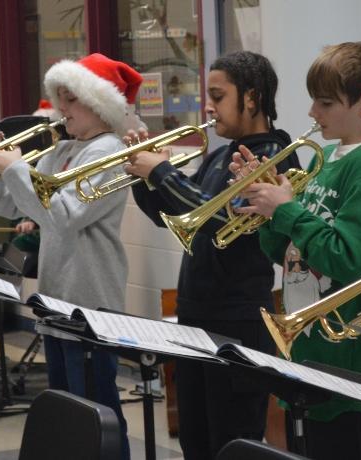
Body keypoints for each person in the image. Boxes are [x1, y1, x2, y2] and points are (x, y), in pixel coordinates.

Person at [124, 51, 299, 459]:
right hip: (195, 317)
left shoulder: (273, 154)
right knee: (196, 442)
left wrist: (161, 173)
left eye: (218, 96)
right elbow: (176, 217)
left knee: (232, 441)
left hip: (236, 322)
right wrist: (142, 175)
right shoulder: (223, 153)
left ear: (252, 98)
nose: (209, 106)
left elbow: (218, 216)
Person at [231, 42, 361, 460]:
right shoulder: (323, 157)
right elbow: (286, 253)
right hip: (304, 351)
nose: (312, 112)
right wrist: (266, 204)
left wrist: (287, 211)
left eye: (325, 102)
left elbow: (348, 260)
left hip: (345, 362)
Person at [0, 53, 143, 460]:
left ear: (100, 105)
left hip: (89, 299)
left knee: (97, 410)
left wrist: (18, 170)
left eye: (71, 99)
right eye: (61, 98)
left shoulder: (108, 153)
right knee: (69, 412)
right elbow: (16, 208)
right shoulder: (64, 150)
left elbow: (66, 216)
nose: (62, 109)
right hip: (56, 298)